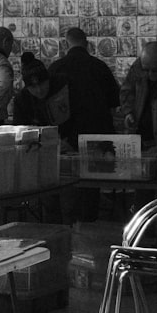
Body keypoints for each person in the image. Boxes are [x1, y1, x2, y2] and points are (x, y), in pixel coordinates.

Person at [48, 27, 119, 222]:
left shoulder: (56, 68)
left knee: (67, 190)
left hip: (66, 138)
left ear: (65, 44)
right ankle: (90, 233)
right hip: (98, 137)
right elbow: (113, 104)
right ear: (87, 43)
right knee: (92, 189)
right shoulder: (100, 67)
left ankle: (69, 234)